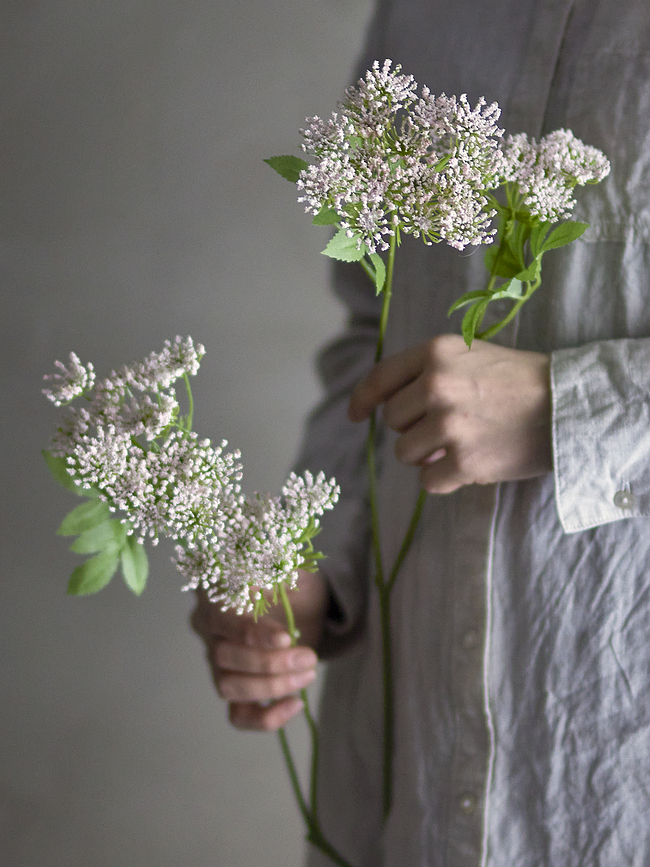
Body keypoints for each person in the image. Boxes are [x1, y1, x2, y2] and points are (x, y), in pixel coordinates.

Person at [191, 1, 650, 864]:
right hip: (413, 787)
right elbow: (379, 327)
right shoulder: (427, 14)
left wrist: (575, 409)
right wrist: (313, 561)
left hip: (611, 789)